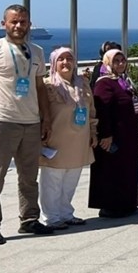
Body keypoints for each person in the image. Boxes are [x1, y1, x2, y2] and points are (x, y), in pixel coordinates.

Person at [0, 4, 54, 245]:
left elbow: (40, 88)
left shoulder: (36, 51)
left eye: (23, 22)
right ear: (4, 23)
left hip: (30, 123)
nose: (18, 26)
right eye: (14, 21)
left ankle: (29, 219)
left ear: (29, 24)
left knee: (29, 177)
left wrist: (45, 119)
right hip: (2, 122)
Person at [39, 47, 97, 228]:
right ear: (54, 63)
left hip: (79, 140)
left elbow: (91, 111)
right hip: (56, 139)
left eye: (69, 58)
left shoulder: (83, 84)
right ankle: (51, 217)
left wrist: (93, 132)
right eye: (61, 59)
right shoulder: (48, 85)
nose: (65, 63)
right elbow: (40, 112)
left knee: (72, 179)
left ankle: (66, 213)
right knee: (52, 180)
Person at [89, 49, 138, 218]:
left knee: (126, 169)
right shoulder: (104, 83)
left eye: (122, 60)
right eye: (116, 61)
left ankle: (127, 203)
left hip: (128, 134)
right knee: (111, 170)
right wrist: (106, 134)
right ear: (107, 63)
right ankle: (110, 205)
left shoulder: (123, 81)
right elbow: (102, 109)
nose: (120, 64)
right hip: (113, 134)